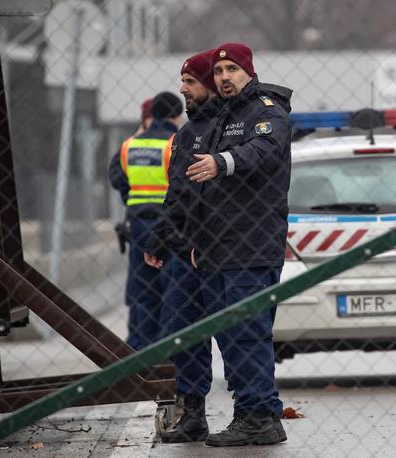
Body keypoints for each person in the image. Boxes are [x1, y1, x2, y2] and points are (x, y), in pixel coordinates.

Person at [165, 42, 292, 447]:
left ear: (248, 72)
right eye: (218, 71)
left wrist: (223, 162)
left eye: (232, 70)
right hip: (216, 248)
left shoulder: (267, 109)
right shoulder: (221, 115)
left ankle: (259, 417)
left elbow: (265, 151)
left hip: (251, 245)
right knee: (232, 335)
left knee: (248, 332)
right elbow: (193, 187)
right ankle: (256, 414)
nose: (224, 78)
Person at [143, 50, 220, 444]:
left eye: (190, 81)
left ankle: (254, 413)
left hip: (217, 249)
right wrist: (159, 237)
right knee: (184, 331)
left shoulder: (223, 128)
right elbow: (178, 193)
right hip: (182, 250)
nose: (183, 89)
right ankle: (193, 414)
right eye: (182, 81)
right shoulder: (187, 134)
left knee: (236, 333)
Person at [108, 92, 183, 350]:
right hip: (171, 226)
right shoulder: (176, 143)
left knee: (143, 290)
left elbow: (117, 176)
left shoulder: (130, 145)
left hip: (138, 225)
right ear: (177, 115)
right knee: (172, 289)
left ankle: (140, 350)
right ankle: (166, 352)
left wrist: (134, 198)